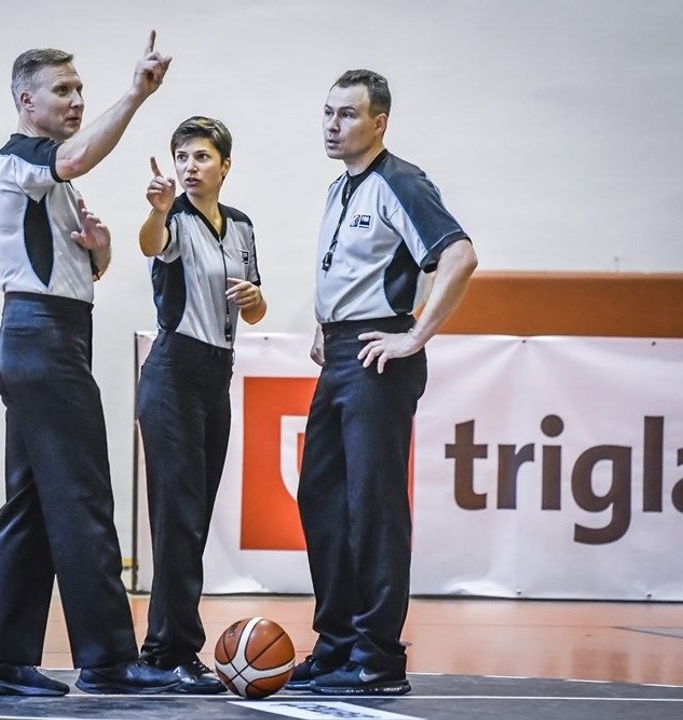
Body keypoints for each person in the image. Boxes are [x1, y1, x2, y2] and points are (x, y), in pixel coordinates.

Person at [0, 33, 183, 697]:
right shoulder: (21, 156)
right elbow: (78, 156)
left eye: (79, 90)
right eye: (63, 91)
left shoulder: (40, 179)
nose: (76, 101)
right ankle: (110, 661)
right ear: (26, 101)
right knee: (85, 500)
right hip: (43, 342)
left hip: (44, 338)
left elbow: (68, 271)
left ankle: (0, 660)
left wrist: (100, 251)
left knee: (31, 508)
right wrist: (138, 93)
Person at [289, 69, 478, 696]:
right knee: (319, 498)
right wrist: (326, 322)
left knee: (373, 507)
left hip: (380, 356)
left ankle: (378, 655)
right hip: (341, 351)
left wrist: (414, 334)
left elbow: (459, 256)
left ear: (379, 123)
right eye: (326, 112)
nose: (332, 124)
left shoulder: (400, 180)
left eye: (346, 114)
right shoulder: (339, 188)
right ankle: (338, 643)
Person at [135, 117, 266, 693]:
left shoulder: (240, 227)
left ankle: (171, 646)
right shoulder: (174, 220)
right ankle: (166, 652)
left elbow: (255, 314)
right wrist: (158, 210)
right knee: (179, 521)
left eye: (202, 157)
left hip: (217, 377)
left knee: (194, 519)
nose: (190, 166)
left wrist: (258, 298)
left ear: (225, 165)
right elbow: (149, 243)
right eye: (182, 156)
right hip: (172, 375)